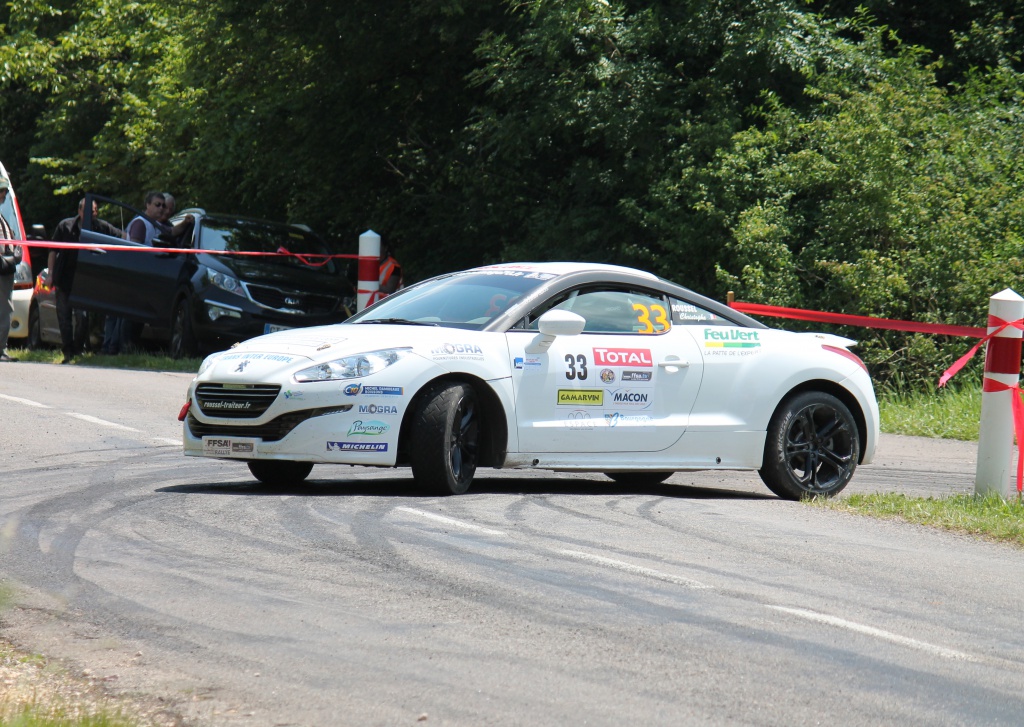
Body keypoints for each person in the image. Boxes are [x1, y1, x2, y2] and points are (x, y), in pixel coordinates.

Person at [48, 198, 121, 363]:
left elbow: (121, 236)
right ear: (80, 211)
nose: (92, 214)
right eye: (89, 210)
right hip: (64, 280)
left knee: (83, 318)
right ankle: (68, 353)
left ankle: (78, 349)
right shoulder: (65, 226)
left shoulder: (100, 227)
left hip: (85, 282)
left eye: (95, 210)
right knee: (64, 319)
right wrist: (50, 274)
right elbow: (52, 250)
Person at [0, 177, 22, 362]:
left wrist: (16, 252)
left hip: (5, 269)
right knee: (3, 310)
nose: (3, 195)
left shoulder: (3, 218)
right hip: (2, 268)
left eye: (5, 191)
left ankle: (1, 348)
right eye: (1, 191)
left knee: (5, 309)